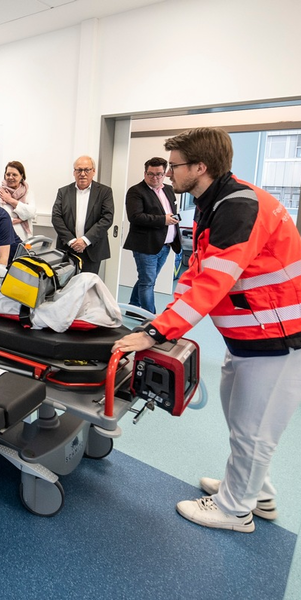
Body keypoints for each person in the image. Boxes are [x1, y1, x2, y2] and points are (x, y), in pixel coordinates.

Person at [112, 127, 301, 534]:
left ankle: (236, 510)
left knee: (255, 427)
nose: (169, 173)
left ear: (201, 166)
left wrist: (155, 333)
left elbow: (213, 281)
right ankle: (254, 490)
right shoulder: (212, 202)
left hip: (279, 338)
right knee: (240, 416)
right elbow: (195, 270)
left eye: (175, 166)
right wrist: (163, 321)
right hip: (250, 334)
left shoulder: (238, 207)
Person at [122, 157, 182, 314]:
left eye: (159, 174)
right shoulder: (136, 191)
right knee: (148, 283)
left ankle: (133, 307)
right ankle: (150, 318)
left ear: (165, 173)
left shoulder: (168, 190)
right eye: (151, 174)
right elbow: (135, 217)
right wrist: (163, 220)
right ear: (145, 173)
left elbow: (171, 212)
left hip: (165, 245)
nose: (155, 177)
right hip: (145, 245)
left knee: (147, 279)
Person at [51, 156, 115, 275]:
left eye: (87, 170)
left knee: (87, 287)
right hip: (67, 248)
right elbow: (56, 218)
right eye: (79, 170)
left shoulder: (104, 192)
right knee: (66, 288)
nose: (83, 174)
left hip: (92, 249)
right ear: (74, 172)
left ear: (94, 171)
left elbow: (107, 218)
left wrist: (85, 241)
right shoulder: (63, 192)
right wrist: (71, 241)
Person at [0, 160, 35, 241]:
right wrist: (19, 218)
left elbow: (31, 213)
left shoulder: (28, 192)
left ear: (21, 176)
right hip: (5, 239)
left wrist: (10, 200)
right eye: (8, 174)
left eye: (14, 175)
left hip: (25, 239)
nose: (10, 177)